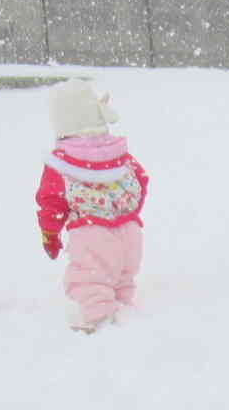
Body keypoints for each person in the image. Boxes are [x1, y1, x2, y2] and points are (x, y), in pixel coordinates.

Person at [35, 79, 149, 333]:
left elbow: (51, 202)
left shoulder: (62, 162)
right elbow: (140, 180)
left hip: (91, 233)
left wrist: (50, 234)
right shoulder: (118, 152)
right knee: (122, 280)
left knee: (90, 281)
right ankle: (126, 318)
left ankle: (100, 325)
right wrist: (126, 213)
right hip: (131, 232)